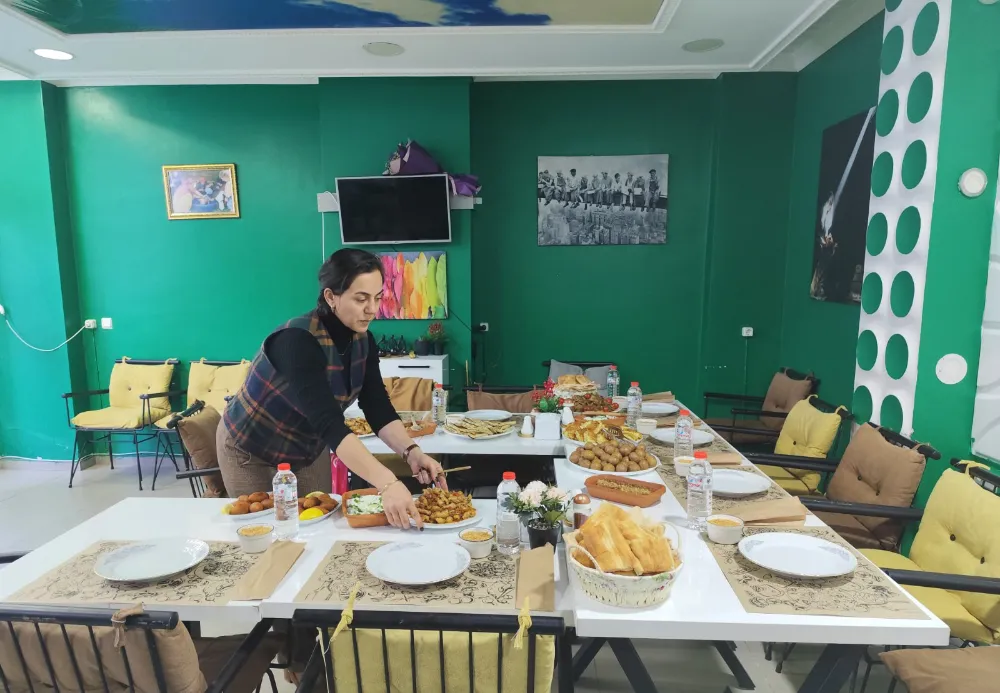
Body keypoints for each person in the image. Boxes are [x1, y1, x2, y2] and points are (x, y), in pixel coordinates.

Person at [219, 248, 444, 529]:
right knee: (266, 530)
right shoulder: (296, 340)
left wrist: (412, 452)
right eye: (361, 298)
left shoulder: (364, 340)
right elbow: (329, 422)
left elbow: (377, 406)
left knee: (320, 526)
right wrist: (388, 482)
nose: (372, 309)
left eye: (377, 298)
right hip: (251, 447)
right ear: (330, 297)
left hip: (306, 447)